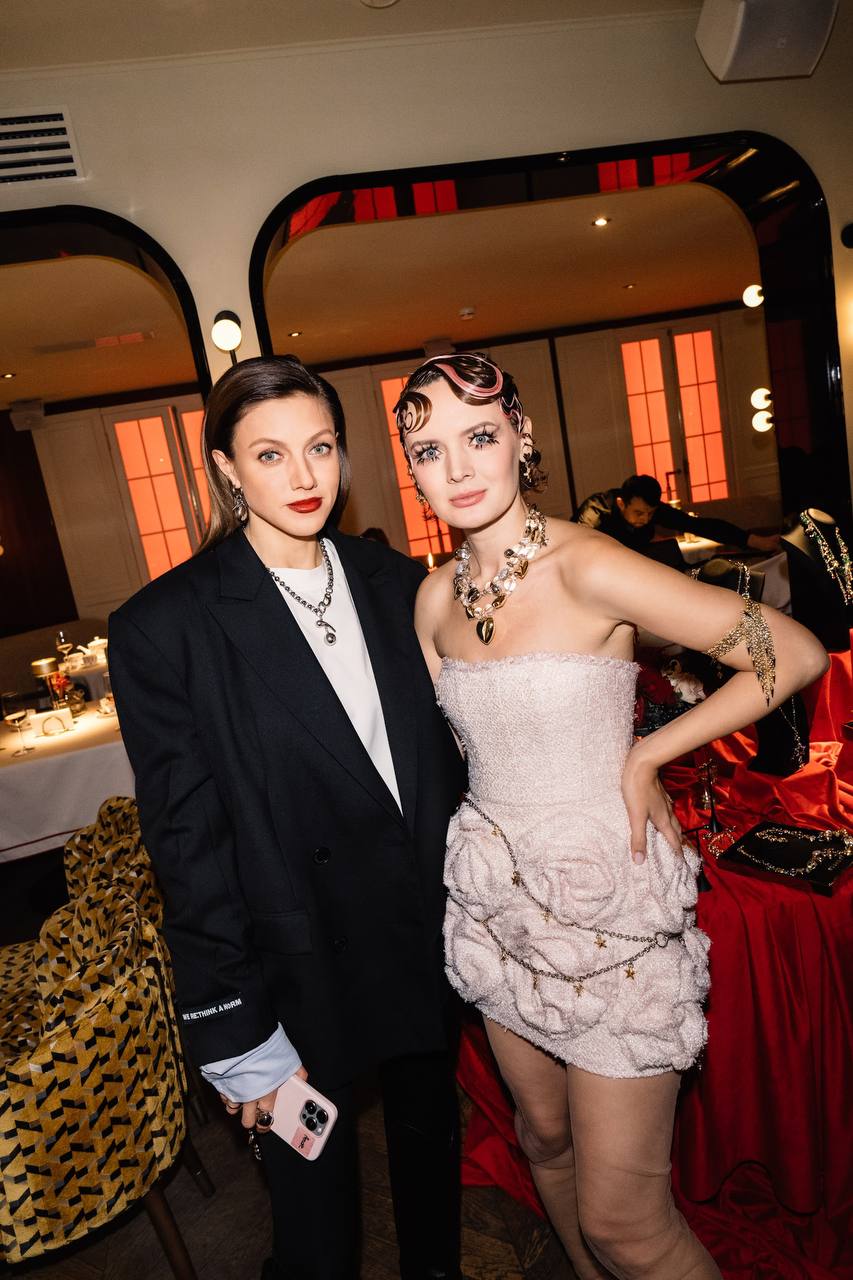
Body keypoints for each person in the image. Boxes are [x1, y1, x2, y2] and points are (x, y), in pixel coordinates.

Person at [392, 352, 827, 1280]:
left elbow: (789, 653)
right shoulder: (431, 601)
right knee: (543, 1140)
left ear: (520, 438)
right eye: (429, 451)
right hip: (497, 914)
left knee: (626, 1225)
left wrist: (646, 755)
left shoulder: (588, 564)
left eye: (478, 436)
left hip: (610, 919)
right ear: (411, 471)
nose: (457, 468)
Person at [109, 356, 466, 1280]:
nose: (305, 477)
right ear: (225, 468)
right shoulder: (165, 627)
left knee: (432, 1166)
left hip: (423, 932)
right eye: (270, 454)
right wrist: (232, 1026)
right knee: (316, 1229)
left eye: (321, 447)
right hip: (294, 960)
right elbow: (186, 847)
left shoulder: (400, 583)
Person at [574, 473, 781, 559]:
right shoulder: (595, 512)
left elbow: (698, 525)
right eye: (638, 513)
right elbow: (574, 549)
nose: (645, 519)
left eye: (650, 513)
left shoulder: (650, 511)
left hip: (635, 560)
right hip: (598, 561)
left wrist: (754, 540)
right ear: (621, 503)